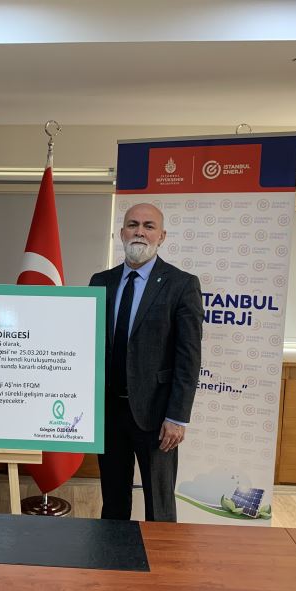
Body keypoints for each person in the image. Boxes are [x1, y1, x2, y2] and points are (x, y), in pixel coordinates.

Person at [89, 202, 202, 522]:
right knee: (113, 501)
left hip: (156, 415)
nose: (140, 231)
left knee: (159, 506)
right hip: (108, 413)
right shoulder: (101, 281)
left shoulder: (181, 284)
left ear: (161, 236)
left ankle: (162, 556)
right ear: (121, 233)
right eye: (133, 224)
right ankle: (113, 552)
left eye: (149, 226)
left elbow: (188, 357)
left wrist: (177, 417)